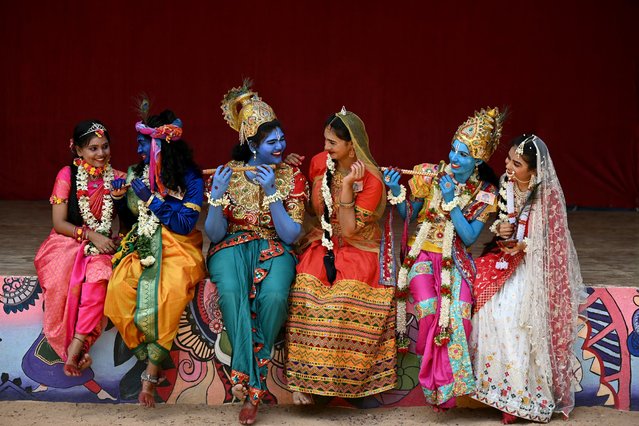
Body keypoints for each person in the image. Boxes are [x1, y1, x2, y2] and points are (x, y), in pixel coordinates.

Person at [383, 107, 504, 410]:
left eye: (463, 154)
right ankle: (434, 383)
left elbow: (468, 237)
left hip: (457, 259)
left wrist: (451, 202)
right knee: (428, 308)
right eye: (453, 149)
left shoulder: (486, 193)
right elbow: (408, 215)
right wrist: (397, 190)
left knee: (458, 316)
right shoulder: (428, 173)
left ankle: (446, 387)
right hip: (422, 255)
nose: (453, 158)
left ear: (478, 160)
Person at [205, 81, 308, 425]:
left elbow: (292, 235)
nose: (280, 146)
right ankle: (253, 389)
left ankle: (245, 381)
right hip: (231, 245)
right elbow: (215, 234)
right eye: (271, 141)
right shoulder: (227, 175)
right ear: (252, 144)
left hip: (275, 246)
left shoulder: (292, 176)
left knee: (276, 296)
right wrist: (217, 198)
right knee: (232, 293)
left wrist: (272, 191)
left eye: (281, 139)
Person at [470, 134, 585, 423]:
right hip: (506, 260)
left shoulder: (547, 196)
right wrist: (502, 231)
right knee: (486, 309)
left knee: (512, 315)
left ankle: (520, 397)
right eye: (508, 159)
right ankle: (495, 391)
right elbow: (501, 226)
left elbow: (553, 244)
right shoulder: (506, 186)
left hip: (534, 268)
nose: (508, 166)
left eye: (516, 163)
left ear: (533, 171)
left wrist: (524, 245)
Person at [285, 107, 397, 405]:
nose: (325, 148)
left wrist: (347, 186)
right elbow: (312, 211)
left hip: (360, 248)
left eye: (332, 143)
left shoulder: (371, 180)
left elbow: (349, 231)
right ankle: (308, 382)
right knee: (305, 288)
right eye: (325, 141)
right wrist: (289, 171)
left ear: (352, 145)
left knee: (344, 297)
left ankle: (343, 385)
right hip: (324, 242)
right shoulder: (320, 163)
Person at [104, 107, 206, 408]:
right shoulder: (136, 173)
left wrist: (152, 199)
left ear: (159, 144)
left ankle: (150, 373)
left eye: (141, 142)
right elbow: (129, 219)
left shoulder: (190, 177)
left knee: (171, 292)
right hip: (143, 241)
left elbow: (184, 223)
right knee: (118, 292)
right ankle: (145, 354)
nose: (136, 148)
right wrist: (120, 200)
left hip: (180, 246)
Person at [35, 120, 126, 377]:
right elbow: (59, 222)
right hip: (67, 242)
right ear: (78, 151)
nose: (101, 154)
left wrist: (117, 233)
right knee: (58, 282)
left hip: (102, 248)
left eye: (105, 146)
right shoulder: (67, 175)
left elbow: (130, 218)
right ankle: (70, 349)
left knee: (99, 280)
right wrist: (91, 235)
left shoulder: (118, 179)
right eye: (93, 148)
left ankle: (78, 346)